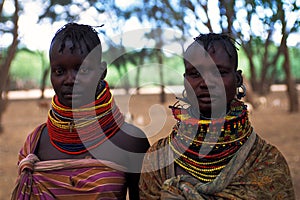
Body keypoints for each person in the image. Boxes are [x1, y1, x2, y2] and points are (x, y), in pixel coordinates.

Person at [139, 33, 295, 199]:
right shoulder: (157, 160)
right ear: (185, 80)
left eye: (219, 72)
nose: (206, 82)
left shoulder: (267, 162)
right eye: (195, 73)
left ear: (237, 79)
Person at [11, 23, 150, 200]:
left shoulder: (130, 141)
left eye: (82, 69)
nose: (70, 80)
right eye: (59, 71)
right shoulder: (35, 143)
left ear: (102, 72)